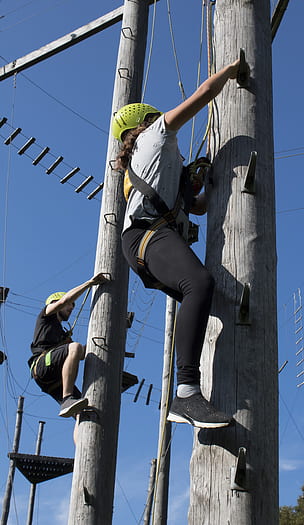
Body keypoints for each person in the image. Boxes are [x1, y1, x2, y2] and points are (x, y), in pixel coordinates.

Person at [113, 59, 242, 429]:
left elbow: (198, 209)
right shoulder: (154, 136)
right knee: (199, 284)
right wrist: (233, 69)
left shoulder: (159, 165)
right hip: (147, 235)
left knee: (204, 295)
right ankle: (186, 393)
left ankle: (191, 390)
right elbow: (204, 93)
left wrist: (202, 184)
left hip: (147, 239)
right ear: (147, 122)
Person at [28, 273, 107, 419]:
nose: (71, 308)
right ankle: (67, 398)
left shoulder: (63, 335)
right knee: (74, 347)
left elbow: (81, 355)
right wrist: (89, 283)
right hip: (41, 366)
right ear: (55, 304)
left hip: (53, 380)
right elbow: (65, 300)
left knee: (84, 414)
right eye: (70, 305)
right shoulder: (46, 316)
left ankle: (77, 425)